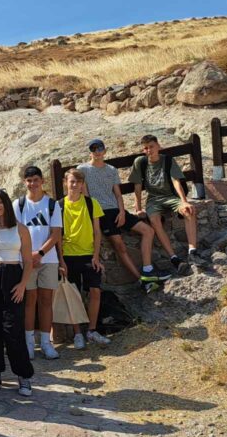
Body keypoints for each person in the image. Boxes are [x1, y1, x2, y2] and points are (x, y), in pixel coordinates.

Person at [78, 139, 169, 293]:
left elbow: (118, 195)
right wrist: (94, 218)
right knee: (120, 246)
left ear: (105, 151)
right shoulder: (83, 169)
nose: (97, 152)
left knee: (148, 231)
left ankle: (147, 269)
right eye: (94, 149)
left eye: (100, 148)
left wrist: (121, 212)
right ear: (90, 152)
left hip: (116, 210)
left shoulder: (112, 170)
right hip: (100, 214)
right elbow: (86, 197)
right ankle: (141, 280)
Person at [0, 190, 35, 397]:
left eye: (0, 203)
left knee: (13, 328)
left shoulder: (20, 229)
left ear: (6, 204)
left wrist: (22, 285)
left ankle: (23, 376)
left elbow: (28, 261)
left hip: (13, 277)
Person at [129, 134, 205, 275]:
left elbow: (176, 181)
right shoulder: (140, 162)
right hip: (153, 199)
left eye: (151, 146)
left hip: (171, 196)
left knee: (189, 211)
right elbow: (137, 186)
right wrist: (138, 208)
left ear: (158, 146)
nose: (149, 150)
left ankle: (192, 251)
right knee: (154, 220)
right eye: (146, 148)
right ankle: (174, 258)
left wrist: (184, 201)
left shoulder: (168, 160)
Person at [58, 170, 111, 350]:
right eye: (72, 181)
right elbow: (57, 235)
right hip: (68, 256)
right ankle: (77, 333)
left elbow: (97, 232)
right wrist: (61, 261)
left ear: (82, 184)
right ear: (66, 183)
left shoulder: (91, 203)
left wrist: (96, 256)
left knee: (95, 291)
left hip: (88, 255)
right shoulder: (58, 206)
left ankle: (91, 330)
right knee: (74, 296)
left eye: (78, 182)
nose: (75, 185)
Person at [13, 166, 62, 361]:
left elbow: (56, 233)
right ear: (25, 182)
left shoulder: (52, 204)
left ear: (42, 181)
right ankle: (28, 343)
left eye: (35, 180)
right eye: (29, 180)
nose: (32, 184)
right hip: (26, 261)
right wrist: (29, 256)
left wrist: (39, 253)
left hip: (47, 259)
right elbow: (15, 232)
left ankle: (46, 342)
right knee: (29, 301)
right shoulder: (19, 204)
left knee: (46, 301)